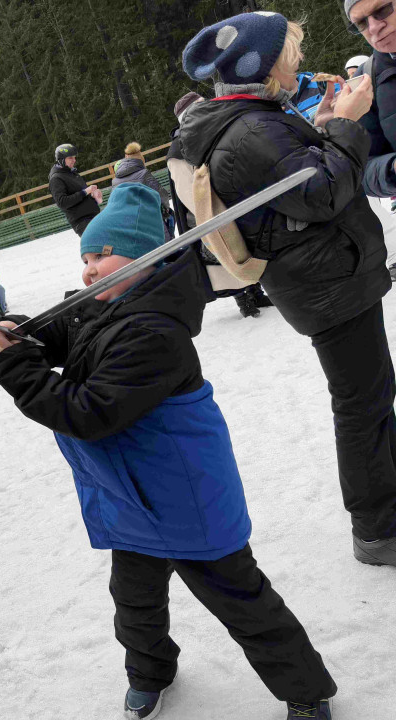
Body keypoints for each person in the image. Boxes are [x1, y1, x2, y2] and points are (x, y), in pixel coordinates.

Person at [0, 183, 338, 720]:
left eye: (101, 256)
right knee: (135, 599)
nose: (88, 269)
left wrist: (17, 367)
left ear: (143, 258)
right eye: (84, 257)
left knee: (240, 600)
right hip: (131, 494)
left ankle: (306, 691)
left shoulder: (155, 330)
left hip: (183, 497)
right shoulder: (110, 305)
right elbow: (67, 335)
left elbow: (86, 412)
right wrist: (26, 332)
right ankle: (150, 672)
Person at [179, 13, 396, 566]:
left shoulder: (249, 117)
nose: (298, 58)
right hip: (328, 284)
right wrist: (348, 123)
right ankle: (378, 528)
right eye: (290, 50)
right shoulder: (251, 129)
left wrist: (324, 125)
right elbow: (323, 194)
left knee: (369, 396)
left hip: (325, 279)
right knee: (361, 404)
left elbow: (298, 181)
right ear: (260, 63)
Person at [166, 92, 274, 319]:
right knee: (228, 254)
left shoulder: (213, 133)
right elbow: (187, 191)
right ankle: (243, 299)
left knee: (248, 248)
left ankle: (256, 292)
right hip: (210, 213)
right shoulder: (178, 150)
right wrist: (210, 213)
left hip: (232, 203)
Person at [344, 0, 396, 281]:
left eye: (383, 10)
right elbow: (363, 167)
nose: (374, 27)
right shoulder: (368, 80)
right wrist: (392, 169)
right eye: (361, 23)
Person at [48, 143, 102, 236]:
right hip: (83, 222)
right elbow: (62, 202)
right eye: (70, 158)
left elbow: (81, 196)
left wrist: (93, 197)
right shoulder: (56, 179)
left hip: (94, 216)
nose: (74, 160)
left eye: (74, 157)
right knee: (103, 246)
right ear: (61, 160)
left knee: (111, 244)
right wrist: (85, 192)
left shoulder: (72, 173)